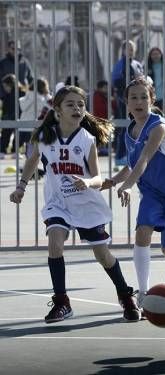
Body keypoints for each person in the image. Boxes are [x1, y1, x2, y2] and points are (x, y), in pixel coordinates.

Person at [8, 86, 140, 323]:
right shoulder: (45, 136)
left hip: (86, 203)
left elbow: (98, 178)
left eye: (81, 104)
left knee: (102, 254)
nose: (77, 108)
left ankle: (125, 294)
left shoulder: (86, 139)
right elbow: (32, 160)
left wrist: (88, 182)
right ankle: (62, 302)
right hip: (58, 203)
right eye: (70, 104)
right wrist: (21, 186)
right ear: (57, 109)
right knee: (55, 242)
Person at [101, 77, 165, 307]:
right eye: (134, 97)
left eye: (144, 96)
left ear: (152, 100)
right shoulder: (130, 130)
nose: (139, 101)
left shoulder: (159, 126)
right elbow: (133, 164)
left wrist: (128, 185)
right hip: (152, 191)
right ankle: (142, 292)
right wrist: (113, 181)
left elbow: (145, 158)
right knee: (142, 233)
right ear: (126, 102)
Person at [111, 40, 144, 166]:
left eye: (132, 48)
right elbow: (116, 82)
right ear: (123, 50)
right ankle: (120, 156)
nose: (130, 51)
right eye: (128, 48)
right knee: (125, 127)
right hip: (124, 100)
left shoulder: (136, 64)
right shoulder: (120, 64)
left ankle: (131, 155)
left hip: (137, 99)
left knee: (136, 126)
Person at [0, 74, 26, 158]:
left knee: (6, 135)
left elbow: (6, 107)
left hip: (10, 117)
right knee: (18, 135)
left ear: (10, 84)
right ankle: (15, 151)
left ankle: (3, 151)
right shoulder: (22, 92)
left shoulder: (9, 95)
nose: (5, 89)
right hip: (18, 117)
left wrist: (3, 118)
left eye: (5, 86)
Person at [145, 47, 165, 117]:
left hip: (164, 97)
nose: (155, 56)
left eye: (157, 54)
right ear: (150, 56)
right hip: (152, 97)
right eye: (153, 54)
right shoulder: (147, 66)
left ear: (161, 55)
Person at [91, 80, 116, 156]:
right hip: (99, 120)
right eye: (105, 87)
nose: (107, 89)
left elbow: (113, 106)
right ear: (100, 88)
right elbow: (101, 109)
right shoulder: (97, 96)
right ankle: (99, 151)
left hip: (103, 120)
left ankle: (101, 150)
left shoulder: (104, 96)